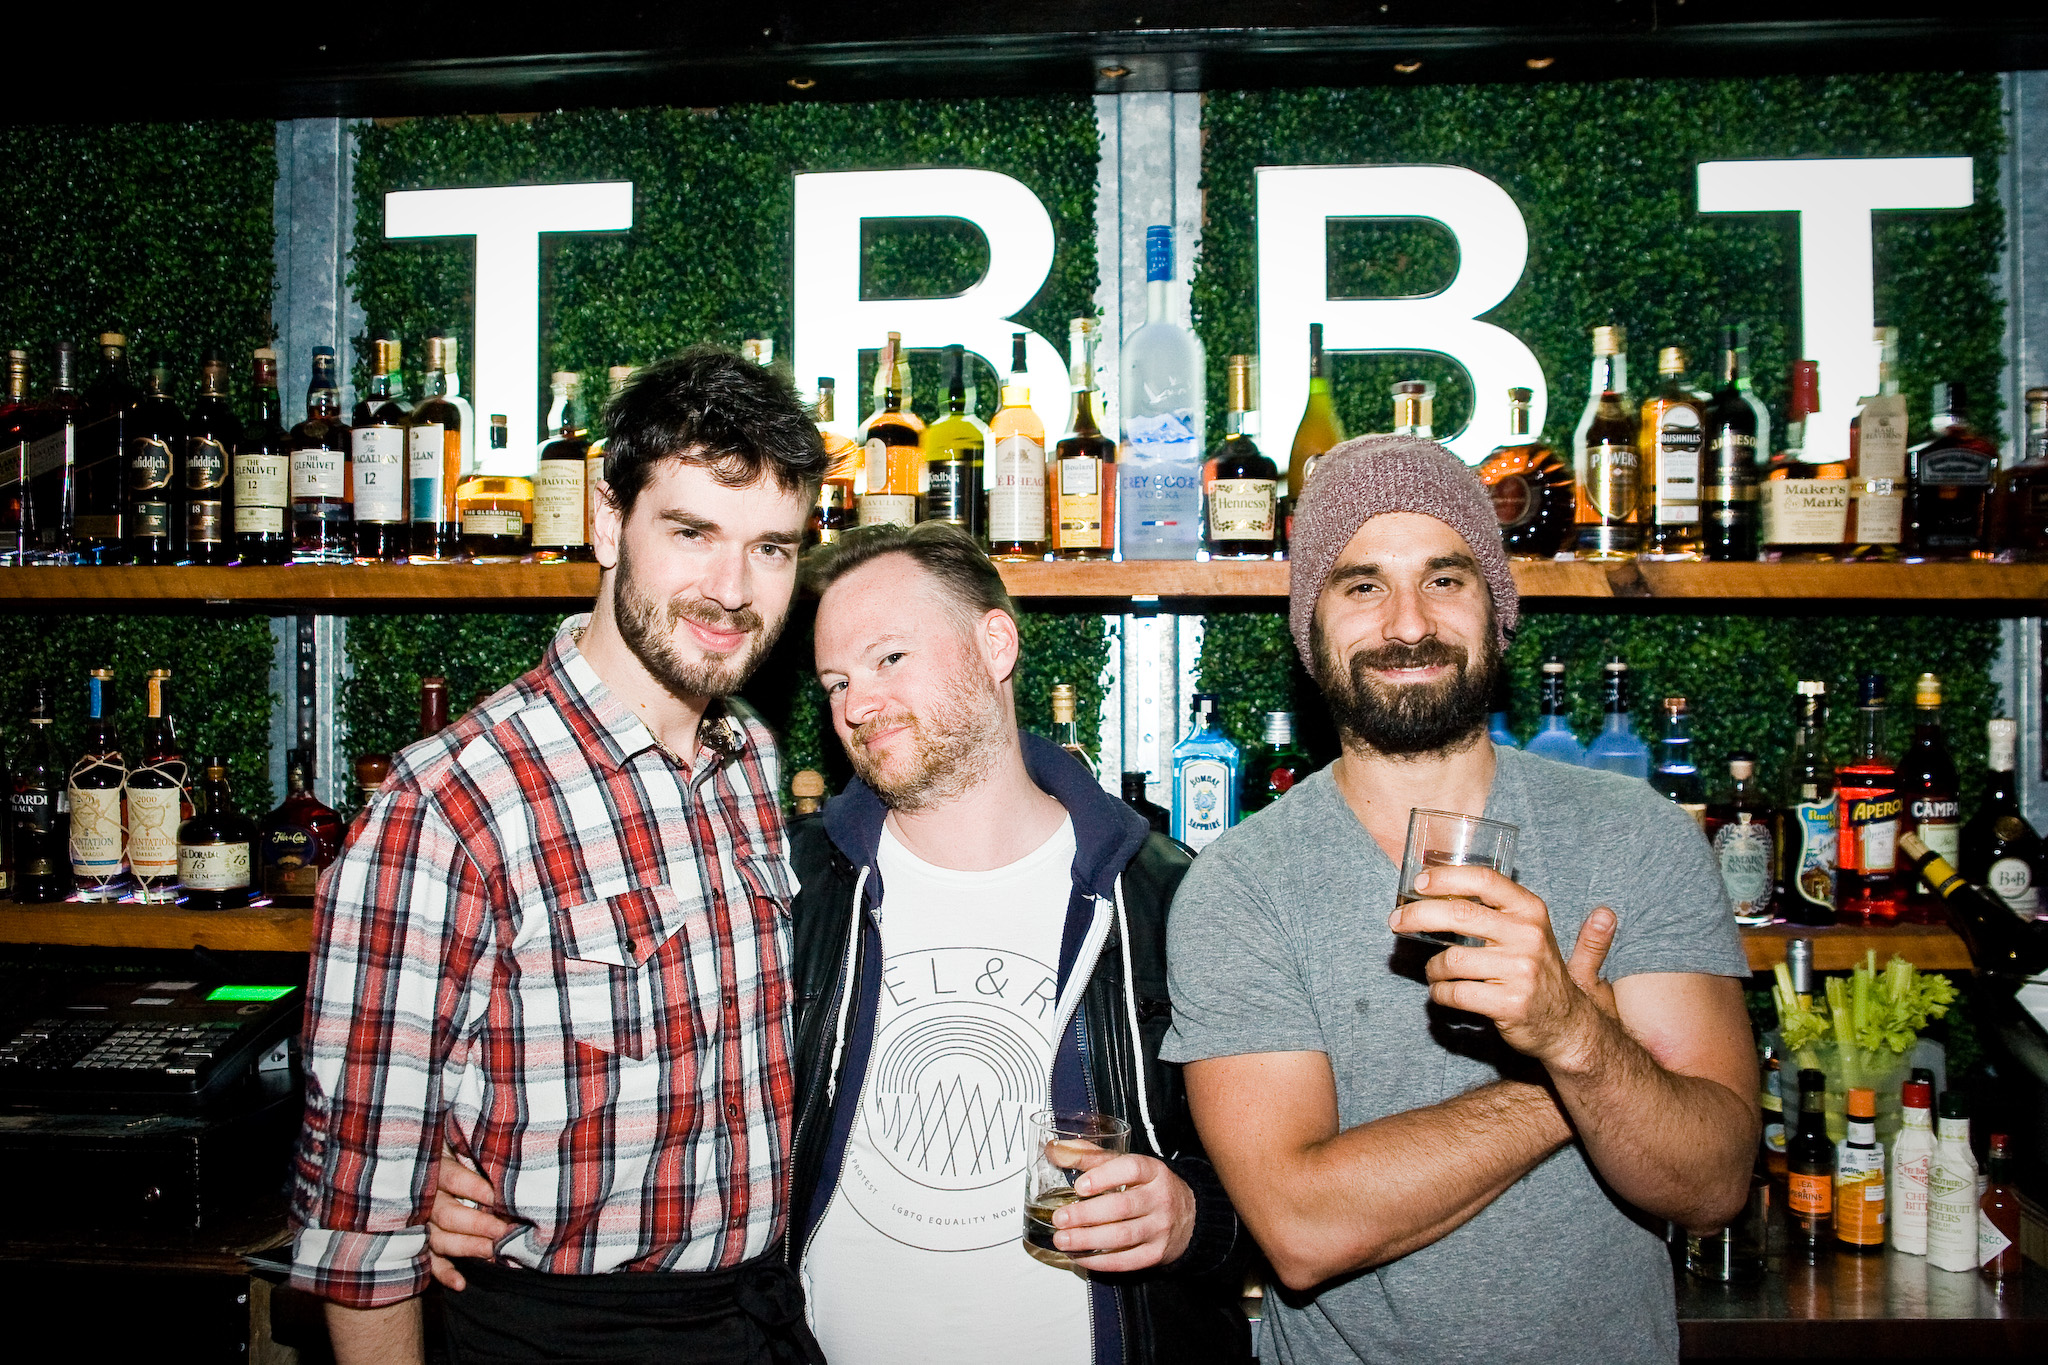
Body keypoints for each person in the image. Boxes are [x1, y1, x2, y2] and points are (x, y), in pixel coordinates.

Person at [429, 520, 1252, 1365]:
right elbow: (623, 1075)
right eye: (835, 682)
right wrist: (458, 1170)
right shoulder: (783, 886)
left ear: (994, 643)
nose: (857, 705)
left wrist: (1194, 1215)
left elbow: (1282, 1182)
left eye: (890, 658)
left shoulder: (1172, 898)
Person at [1162, 435, 1758, 1364]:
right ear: (1309, 629)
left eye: (1445, 580)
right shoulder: (1241, 886)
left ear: (1497, 609)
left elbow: (1714, 1179)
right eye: (1361, 585)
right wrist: (1577, 1068)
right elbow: (1304, 1229)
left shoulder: (1636, 834)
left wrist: (1569, 1032)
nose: (1407, 624)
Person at [289, 347, 829, 1365]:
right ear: (605, 523)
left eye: (771, 548)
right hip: (552, 1336)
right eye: (692, 533)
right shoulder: (448, 804)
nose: (731, 589)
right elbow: (361, 1217)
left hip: (758, 1320)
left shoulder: (751, 757)